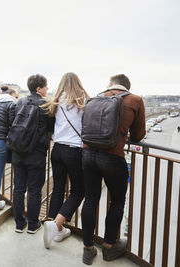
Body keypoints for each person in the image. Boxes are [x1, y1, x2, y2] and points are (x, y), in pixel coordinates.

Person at [81, 74, 145, 265]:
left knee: (91, 198)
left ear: (111, 85)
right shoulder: (135, 100)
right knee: (117, 201)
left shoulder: (97, 97)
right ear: (127, 86)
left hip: (87, 153)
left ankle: (88, 249)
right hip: (112, 156)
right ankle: (109, 247)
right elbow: (138, 135)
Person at [42, 73, 89, 248]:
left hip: (57, 149)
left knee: (58, 188)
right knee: (78, 190)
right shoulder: (83, 100)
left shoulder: (56, 100)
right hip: (74, 149)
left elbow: (50, 124)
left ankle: (53, 225)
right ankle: (56, 225)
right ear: (78, 83)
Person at [12, 74, 54, 234]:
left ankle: (19, 223)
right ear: (39, 88)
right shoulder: (45, 104)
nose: (47, 89)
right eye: (46, 86)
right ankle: (33, 224)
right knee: (35, 190)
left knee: (18, 188)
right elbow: (51, 127)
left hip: (18, 151)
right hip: (36, 153)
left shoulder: (20, 101)